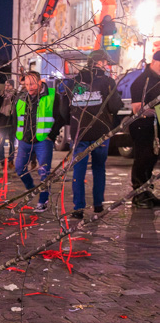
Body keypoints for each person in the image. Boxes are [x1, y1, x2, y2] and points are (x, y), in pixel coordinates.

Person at [66, 50, 122, 219]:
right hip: (101, 132)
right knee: (99, 168)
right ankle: (98, 205)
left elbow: (63, 108)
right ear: (99, 62)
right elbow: (115, 106)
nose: (106, 65)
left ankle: (78, 208)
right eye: (105, 62)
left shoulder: (73, 81)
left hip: (79, 133)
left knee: (78, 170)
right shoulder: (107, 82)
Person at [13, 70, 67, 212]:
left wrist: (52, 135)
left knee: (44, 172)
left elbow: (61, 117)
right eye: (26, 84)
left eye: (32, 84)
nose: (29, 87)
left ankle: (42, 201)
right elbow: (15, 118)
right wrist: (16, 134)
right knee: (19, 168)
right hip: (24, 140)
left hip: (43, 140)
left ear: (39, 82)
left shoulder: (52, 96)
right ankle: (32, 190)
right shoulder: (21, 97)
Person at [129, 50, 160, 208]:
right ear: (154, 62)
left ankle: (147, 192)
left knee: (151, 160)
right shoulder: (142, 81)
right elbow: (137, 109)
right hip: (143, 126)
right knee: (143, 159)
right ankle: (138, 195)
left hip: (155, 126)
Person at [0, 79, 17, 166]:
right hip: (2, 122)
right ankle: (1, 159)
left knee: (12, 141)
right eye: (6, 85)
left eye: (9, 85)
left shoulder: (16, 96)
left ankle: (11, 160)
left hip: (11, 121)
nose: (7, 87)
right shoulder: (0, 98)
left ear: (12, 86)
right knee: (1, 141)